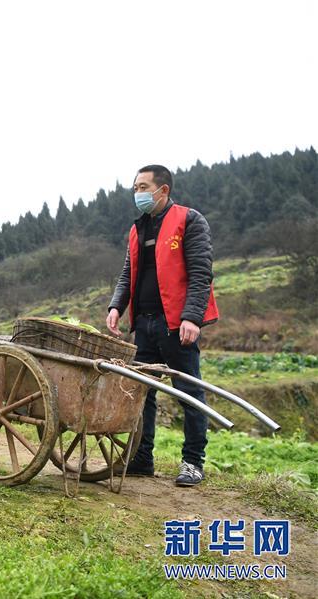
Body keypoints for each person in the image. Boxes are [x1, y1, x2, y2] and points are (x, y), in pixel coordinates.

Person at [106, 164, 219, 487]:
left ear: (163, 190)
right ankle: (142, 457)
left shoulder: (189, 220)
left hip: (176, 324)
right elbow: (129, 273)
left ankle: (193, 462)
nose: (137, 193)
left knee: (189, 392)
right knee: (142, 393)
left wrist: (191, 317)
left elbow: (201, 272)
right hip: (144, 323)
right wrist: (117, 305)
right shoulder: (138, 228)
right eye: (135, 188)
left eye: (143, 187)